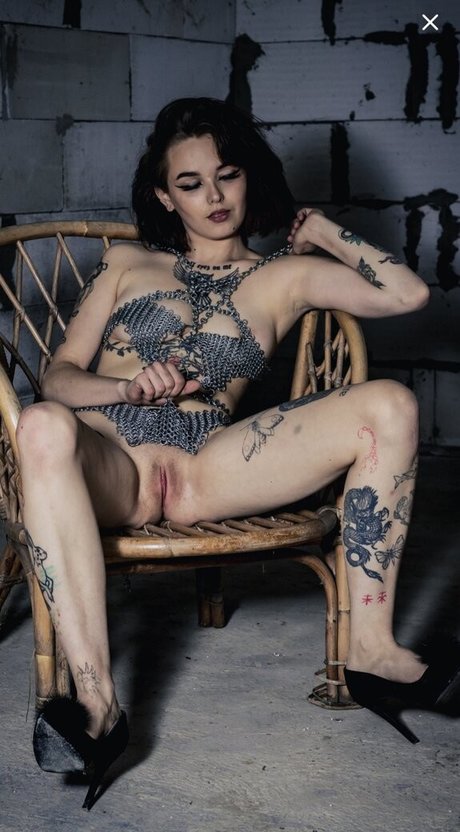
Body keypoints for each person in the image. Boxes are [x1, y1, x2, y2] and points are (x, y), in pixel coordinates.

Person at [17, 97, 459, 810]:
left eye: (227, 175)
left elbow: (407, 294)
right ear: (165, 196)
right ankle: (97, 704)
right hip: (114, 461)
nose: (215, 197)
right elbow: (58, 377)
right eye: (191, 184)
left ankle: (373, 653)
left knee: (391, 404)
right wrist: (124, 389)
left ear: (247, 176)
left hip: (209, 468)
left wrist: (325, 231)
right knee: (41, 424)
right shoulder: (127, 263)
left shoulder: (284, 275)